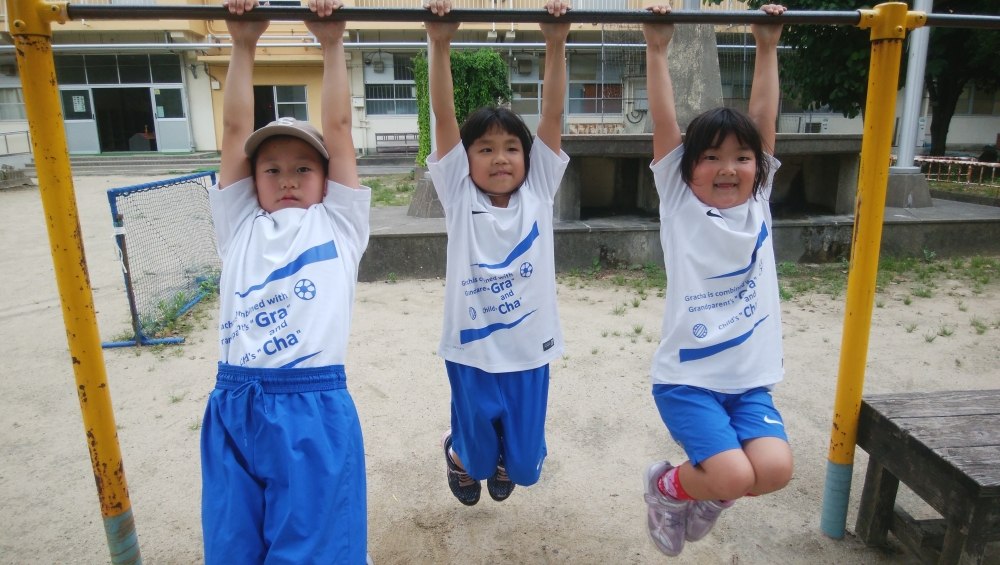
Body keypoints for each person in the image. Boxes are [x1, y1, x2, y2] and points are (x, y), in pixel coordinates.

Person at [199, 0, 373, 563]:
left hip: (311, 404)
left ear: (326, 179)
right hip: (233, 402)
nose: (288, 179)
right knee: (232, 549)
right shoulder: (240, 226)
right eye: (272, 169)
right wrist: (242, 44)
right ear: (253, 181)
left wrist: (331, 44)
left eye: (304, 168)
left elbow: (341, 129)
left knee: (313, 551)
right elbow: (233, 131)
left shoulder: (339, 225)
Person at [640, 4, 794, 557]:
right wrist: (656, 48)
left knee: (773, 471)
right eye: (710, 157)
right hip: (688, 380)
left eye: (742, 158)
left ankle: (703, 492)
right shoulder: (680, 205)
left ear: (760, 167)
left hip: (749, 381)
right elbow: (664, 123)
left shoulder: (759, 205)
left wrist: (767, 44)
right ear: (685, 170)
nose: (728, 168)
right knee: (731, 477)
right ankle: (666, 488)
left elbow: (762, 117)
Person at [423, 0, 570, 506]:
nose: (500, 158)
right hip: (472, 352)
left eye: (511, 147)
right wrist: (439, 42)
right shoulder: (459, 195)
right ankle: (462, 456)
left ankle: (508, 455)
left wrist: (556, 42)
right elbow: (443, 113)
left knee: (526, 472)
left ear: (529, 158)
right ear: (465, 162)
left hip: (530, 353)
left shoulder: (540, 191)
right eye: (485, 148)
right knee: (480, 461)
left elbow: (551, 112)